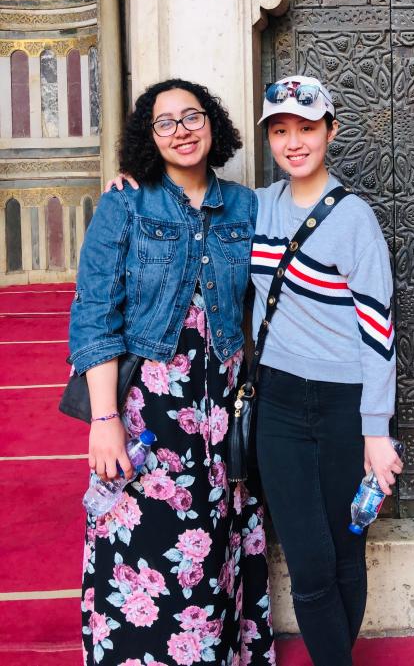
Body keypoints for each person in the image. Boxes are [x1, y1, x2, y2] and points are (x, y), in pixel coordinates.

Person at [69, 78, 274, 666]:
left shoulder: (248, 206)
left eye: (193, 117)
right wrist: (104, 420)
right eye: (166, 122)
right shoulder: (125, 204)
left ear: (213, 126)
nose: (182, 130)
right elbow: (94, 317)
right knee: (143, 552)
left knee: (215, 557)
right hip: (150, 414)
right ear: (148, 137)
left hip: (225, 412)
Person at [252, 75, 402, 666]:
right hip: (279, 404)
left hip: (345, 404)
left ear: (330, 132)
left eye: (307, 129)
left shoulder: (355, 218)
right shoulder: (256, 206)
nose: (294, 142)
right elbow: (190, 201)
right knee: (308, 562)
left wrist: (375, 429)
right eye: (281, 130)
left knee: (345, 552)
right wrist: (132, 186)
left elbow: (378, 327)